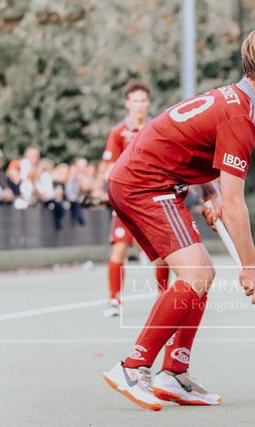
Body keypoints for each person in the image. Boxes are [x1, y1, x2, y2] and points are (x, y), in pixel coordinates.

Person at [102, 27, 255, 411]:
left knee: (202, 273)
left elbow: (188, 142)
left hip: (145, 179)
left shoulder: (232, 98)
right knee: (197, 274)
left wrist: (209, 192)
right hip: (145, 183)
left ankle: (173, 373)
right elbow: (236, 206)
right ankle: (132, 367)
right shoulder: (241, 116)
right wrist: (251, 268)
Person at [101, 79, 170, 318]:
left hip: (151, 201)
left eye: (143, 100)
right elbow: (110, 168)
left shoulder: (157, 127)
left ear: (148, 102)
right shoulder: (118, 132)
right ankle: (114, 300)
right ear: (127, 103)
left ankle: (164, 298)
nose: (140, 105)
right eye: (135, 101)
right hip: (125, 201)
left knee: (162, 254)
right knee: (119, 250)